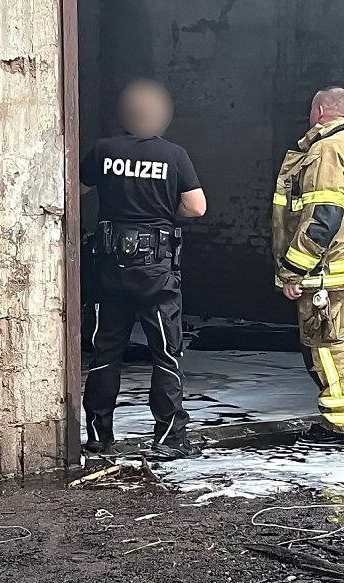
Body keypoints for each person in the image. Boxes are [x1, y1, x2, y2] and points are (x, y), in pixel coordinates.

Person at [79, 79, 207, 460]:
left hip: (109, 269)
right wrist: (166, 211)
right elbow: (197, 207)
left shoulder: (104, 151)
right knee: (165, 354)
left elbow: (77, 189)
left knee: (106, 353)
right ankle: (168, 438)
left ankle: (100, 437)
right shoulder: (174, 155)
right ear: (159, 118)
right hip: (156, 271)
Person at [272, 87, 344, 445]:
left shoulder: (325, 151)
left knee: (326, 342)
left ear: (321, 111)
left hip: (331, 269)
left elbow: (323, 216)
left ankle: (342, 424)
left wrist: (294, 269)